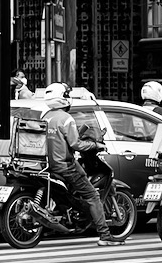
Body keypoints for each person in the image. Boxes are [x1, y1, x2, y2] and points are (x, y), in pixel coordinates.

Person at [40, 82, 127, 246]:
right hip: (65, 167)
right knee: (93, 196)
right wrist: (95, 145)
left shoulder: (45, 116)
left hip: (48, 165)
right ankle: (105, 236)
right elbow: (76, 144)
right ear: (64, 98)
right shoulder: (66, 119)